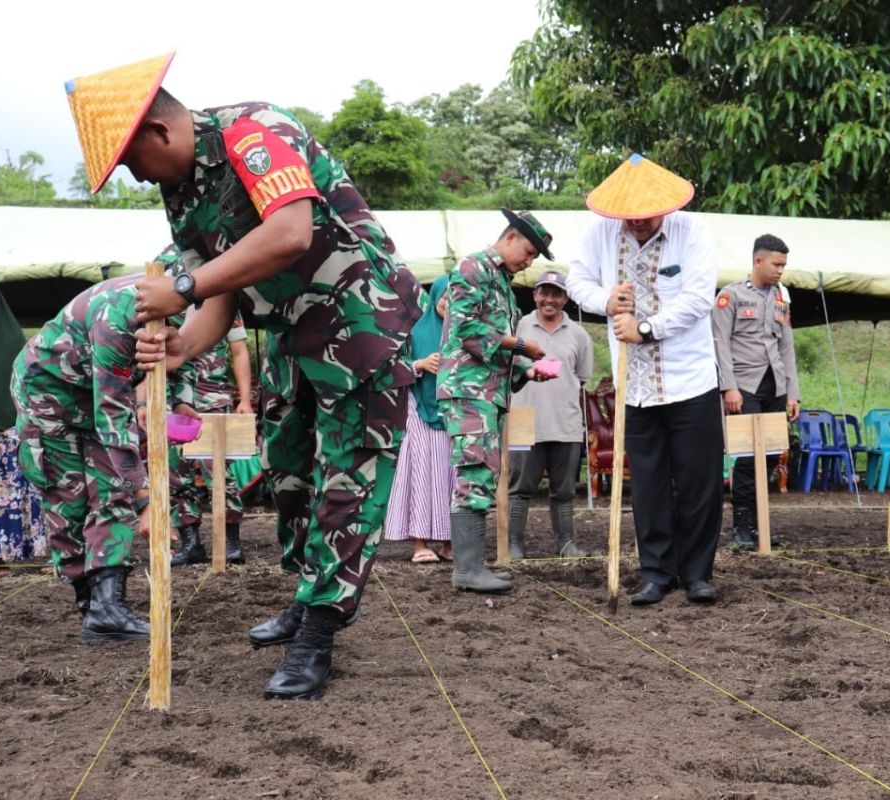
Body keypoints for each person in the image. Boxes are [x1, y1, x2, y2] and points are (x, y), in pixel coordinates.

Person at [65, 53, 422, 697]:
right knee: (287, 472)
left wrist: (182, 286)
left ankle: (319, 628)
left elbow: (287, 234)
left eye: (130, 162)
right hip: (293, 333)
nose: (136, 178)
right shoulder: (183, 193)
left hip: (361, 321)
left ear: (158, 132)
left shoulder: (254, 132)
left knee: (350, 475)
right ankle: (305, 594)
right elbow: (219, 292)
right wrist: (184, 347)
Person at [567, 153, 724, 606]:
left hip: (690, 380)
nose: (636, 223)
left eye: (645, 217)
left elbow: (698, 298)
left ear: (665, 207)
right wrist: (606, 300)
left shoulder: (692, 232)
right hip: (633, 388)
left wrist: (647, 327)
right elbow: (578, 281)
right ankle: (656, 573)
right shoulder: (599, 233)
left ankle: (697, 573)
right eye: (628, 218)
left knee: (698, 481)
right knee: (649, 482)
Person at [11, 275, 197, 639]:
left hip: (93, 393)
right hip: (47, 396)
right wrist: (146, 501)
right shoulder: (116, 317)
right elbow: (112, 418)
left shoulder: (177, 305)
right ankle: (90, 605)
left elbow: (180, 353)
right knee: (71, 498)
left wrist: (183, 399)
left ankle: (108, 608)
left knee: (112, 489)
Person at [438, 209, 558, 593]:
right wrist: (522, 345)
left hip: (486, 391)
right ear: (509, 237)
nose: (529, 261)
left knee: (484, 471)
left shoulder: (502, 280)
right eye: (528, 250)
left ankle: (472, 566)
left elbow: (492, 345)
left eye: (535, 257)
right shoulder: (474, 268)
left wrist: (524, 368)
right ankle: (467, 570)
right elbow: (467, 328)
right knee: (475, 471)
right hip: (468, 390)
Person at [711, 234, 801, 551]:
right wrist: (728, 386)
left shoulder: (781, 297)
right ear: (758, 260)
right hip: (744, 387)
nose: (780, 270)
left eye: (784, 265)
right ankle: (742, 528)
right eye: (776, 264)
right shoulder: (730, 295)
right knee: (747, 459)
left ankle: (761, 526)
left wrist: (793, 393)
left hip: (774, 385)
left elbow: (786, 347)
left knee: (772, 455)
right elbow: (719, 343)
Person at [507, 269, 594, 559]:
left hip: (565, 422)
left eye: (556, 294)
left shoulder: (579, 334)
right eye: (544, 292)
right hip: (523, 419)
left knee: (565, 489)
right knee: (519, 487)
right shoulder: (518, 327)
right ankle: (515, 544)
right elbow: (506, 369)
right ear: (534, 295)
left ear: (565, 298)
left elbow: (581, 377)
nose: (549, 299)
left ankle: (565, 544)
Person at [169, 311, 254, 567]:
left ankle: (230, 542)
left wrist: (245, 399)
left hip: (212, 397)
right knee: (175, 473)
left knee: (217, 471)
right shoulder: (167, 303)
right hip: (173, 398)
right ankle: (191, 542)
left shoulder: (221, 299)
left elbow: (238, 351)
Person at [383, 275, 455, 564]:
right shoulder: (414, 331)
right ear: (435, 295)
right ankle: (420, 544)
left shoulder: (464, 332)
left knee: (452, 476)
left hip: (454, 413)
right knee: (422, 474)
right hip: (419, 411)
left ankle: (450, 544)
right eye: (445, 296)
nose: (449, 303)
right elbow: (392, 368)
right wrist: (421, 364)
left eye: (456, 298)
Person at [0, 273, 45, 574]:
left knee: (9, 492)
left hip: (6, 432)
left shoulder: (9, 339)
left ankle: (9, 553)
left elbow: (13, 383)